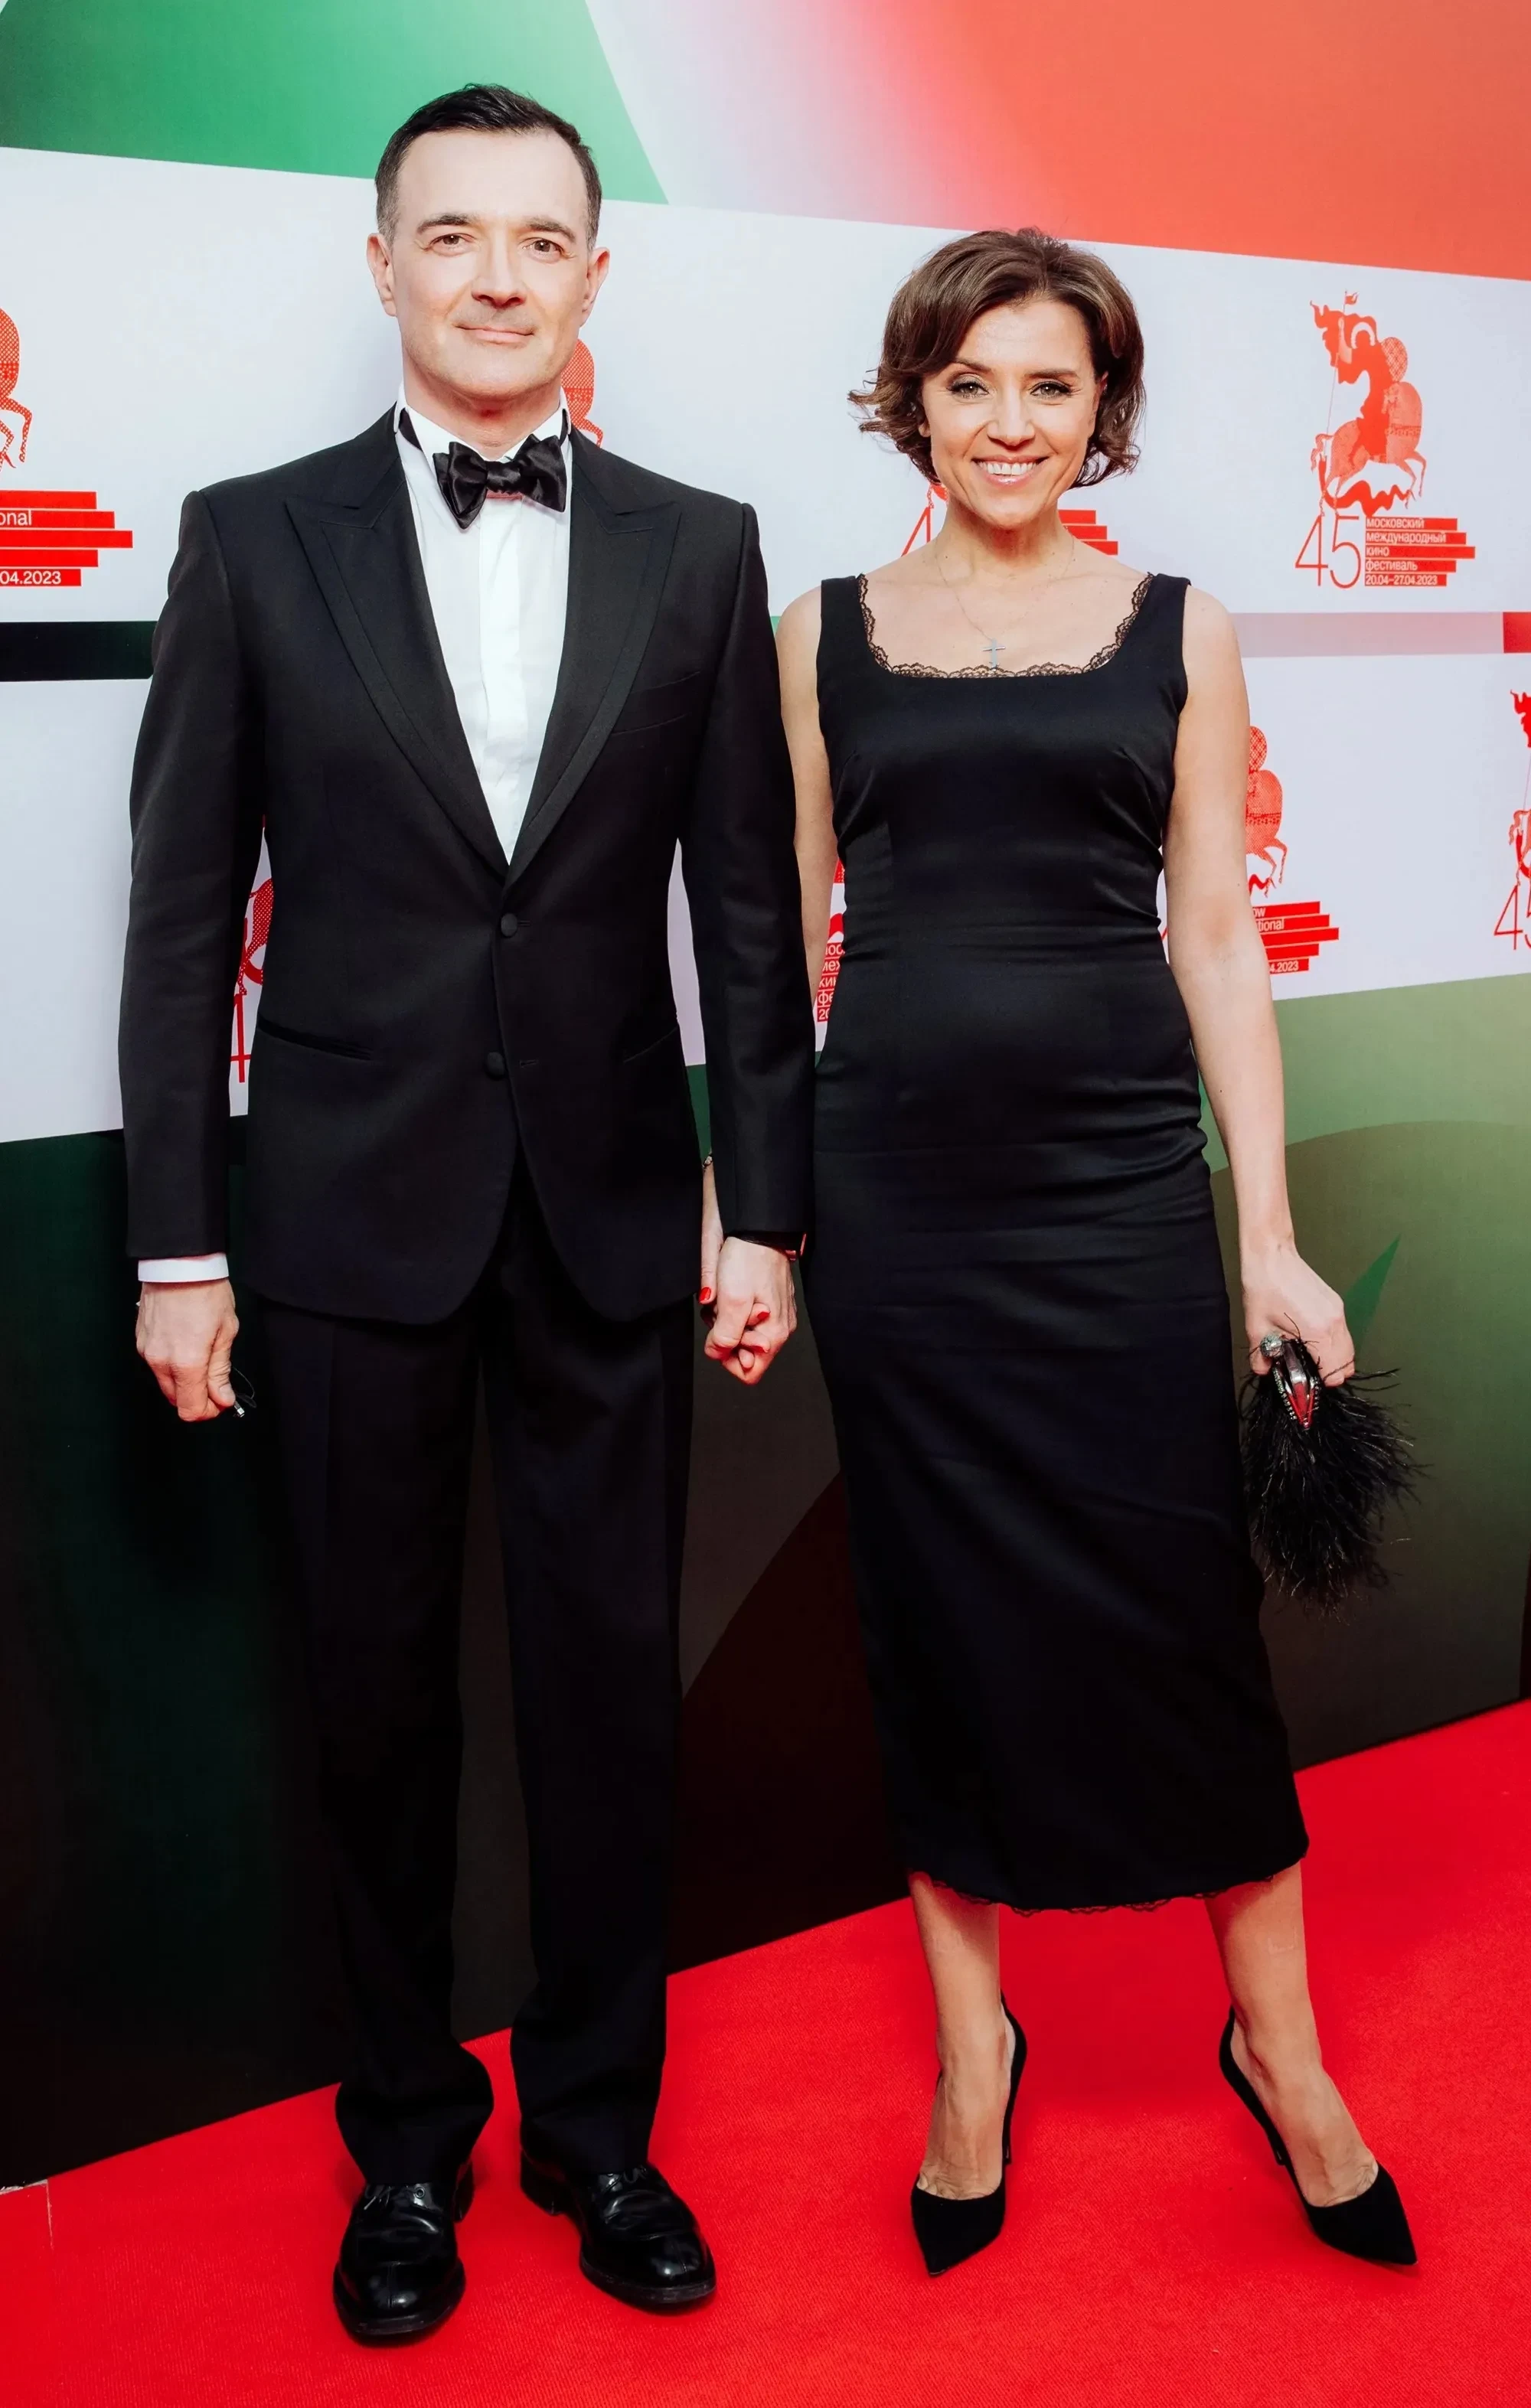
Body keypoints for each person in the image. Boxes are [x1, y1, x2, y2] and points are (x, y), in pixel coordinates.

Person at [121, 84, 814, 2341]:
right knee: (372, 1705)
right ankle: (405, 2152)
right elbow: (178, 921)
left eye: (539, 238)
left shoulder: (701, 547)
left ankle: (602, 2134)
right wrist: (179, 1246)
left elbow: (746, 908)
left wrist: (764, 1210)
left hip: (615, 1218)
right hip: (340, 1222)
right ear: (386, 266)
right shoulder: (252, 537)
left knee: (612, 1702)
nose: (498, 276)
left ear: (597, 272)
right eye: (453, 235)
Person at [779, 230, 1415, 2276]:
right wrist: (752, 1209)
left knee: (1184, 1614)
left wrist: (1271, 1240)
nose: (1009, 422)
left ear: (1100, 411)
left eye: (1049, 385)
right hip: (898, 1204)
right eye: (970, 382)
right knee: (935, 1611)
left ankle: (1280, 2049)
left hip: (1121, 1195)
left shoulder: (1179, 628)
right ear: (914, 400)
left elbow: (1216, 932)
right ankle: (975, 2052)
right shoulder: (817, 634)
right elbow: (779, 941)